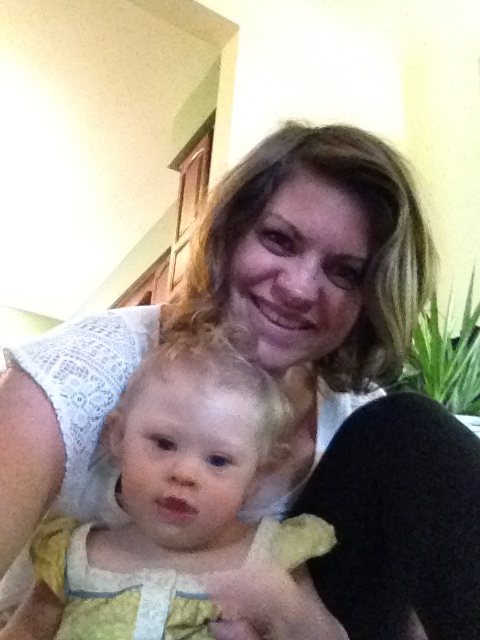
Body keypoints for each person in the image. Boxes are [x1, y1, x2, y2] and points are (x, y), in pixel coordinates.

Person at [1, 120, 479, 640]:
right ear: (230, 234)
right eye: (279, 240)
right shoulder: (84, 369)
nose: (298, 289)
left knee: (411, 428)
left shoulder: (368, 431)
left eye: (344, 272)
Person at [0, 328, 349, 640]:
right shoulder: (73, 555)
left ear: (256, 476)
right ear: (118, 436)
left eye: (218, 460)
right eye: (164, 443)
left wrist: (288, 610)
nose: (184, 473)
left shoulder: (272, 554)